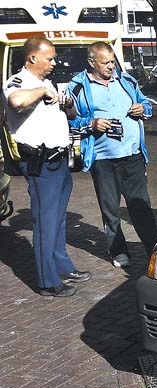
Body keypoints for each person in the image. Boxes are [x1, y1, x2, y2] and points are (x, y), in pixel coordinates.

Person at [2, 37, 90, 297]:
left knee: (58, 218)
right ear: (32, 58)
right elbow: (16, 101)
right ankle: (48, 280)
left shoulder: (45, 82)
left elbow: (70, 114)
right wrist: (42, 92)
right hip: (41, 162)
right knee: (45, 221)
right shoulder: (18, 82)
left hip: (60, 159)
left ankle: (62, 265)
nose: (54, 62)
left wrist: (67, 103)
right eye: (49, 58)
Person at [68, 41, 157, 269]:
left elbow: (146, 104)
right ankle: (118, 251)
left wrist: (143, 109)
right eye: (105, 63)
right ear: (91, 62)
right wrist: (92, 123)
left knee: (141, 206)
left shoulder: (126, 80)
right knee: (110, 208)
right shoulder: (77, 87)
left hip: (132, 154)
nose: (111, 67)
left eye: (113, 61)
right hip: (103, 158)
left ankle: (152, 249)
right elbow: (70, 123)